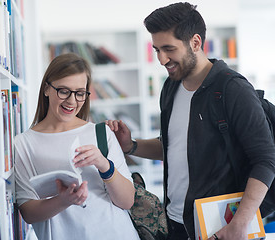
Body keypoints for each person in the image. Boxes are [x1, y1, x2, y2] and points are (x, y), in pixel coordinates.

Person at [106, 2, 275, 240]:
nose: (162, 59)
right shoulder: (170, 87)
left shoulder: (232, 89)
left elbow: (266, 159)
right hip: (176, 224)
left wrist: (240, 223)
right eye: (156, 49)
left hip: (223, 227)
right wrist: (131, 146)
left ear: (195, 42)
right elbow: (175, 145)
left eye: (168, 49)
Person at [13, 53, 140, 240]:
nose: (72, 101)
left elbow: (127, 201)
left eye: (80, 93)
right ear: (47, 89)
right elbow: (28, 213)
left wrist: (104, 165)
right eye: (64, 91)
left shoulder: (101, 133)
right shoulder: (23, 144)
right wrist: (64, 201)